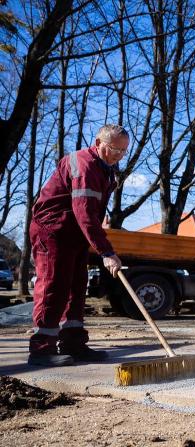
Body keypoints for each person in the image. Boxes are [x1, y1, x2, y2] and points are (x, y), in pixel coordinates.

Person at [28, 125, 128, 367]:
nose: (118, 155)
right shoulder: (85, 165)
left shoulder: (105, 170)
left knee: (76, 286)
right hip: (53, 230)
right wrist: (106, 252)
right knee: (54, 285)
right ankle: (41, 349)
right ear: (98, 142)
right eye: (114, 148)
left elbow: (88, 215)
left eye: (123, 151)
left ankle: (73, 343)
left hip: (74, 233)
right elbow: (84, 212)